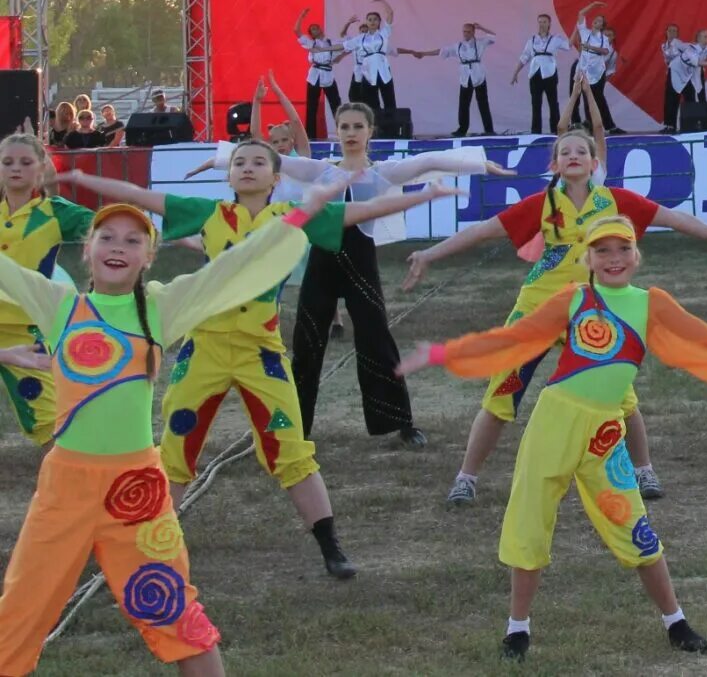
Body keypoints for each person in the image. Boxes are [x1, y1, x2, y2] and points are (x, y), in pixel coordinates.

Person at [397, 217, 707, 662]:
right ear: (587, 259)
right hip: (554, 423)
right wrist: (439, 354)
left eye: (622, 250)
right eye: (602, 251)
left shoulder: (652, 304)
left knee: (635, 525)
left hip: (605, 432)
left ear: (636, 256)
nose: (614, 259)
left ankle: (676, 621)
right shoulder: (572, 299)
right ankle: (518, 629)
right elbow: (513, 340)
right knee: (530, 520)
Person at [59, 150, 457, 579]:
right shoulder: (209, 213)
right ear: (229, 175)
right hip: (204, 348)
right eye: (239, 162)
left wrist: (424, 195)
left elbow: (366, 209)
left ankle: (331, 546)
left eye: (257, 162)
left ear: (275, 177)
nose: (247, 167)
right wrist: (80, 174)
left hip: (260, 352)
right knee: (177, 447)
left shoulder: (294, 215)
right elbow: (139, 196)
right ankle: (147, 549)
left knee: (292, 450)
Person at [0, 186, 339, 676]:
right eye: (107, 237)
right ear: (87, 251)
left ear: (149, 258)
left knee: (174, 613)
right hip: (64, 488)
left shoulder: (162, 307)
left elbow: (234, 266)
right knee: (19, 613)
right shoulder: (57, 305)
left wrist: (303, 213)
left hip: (135, 491)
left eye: (134, 240)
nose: (119, 246)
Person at [401, 129, 707, 507]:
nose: (573, 156)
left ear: (593, 162)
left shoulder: (614, 201)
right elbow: (484, 231)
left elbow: (673, 218)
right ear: (554, 165)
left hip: (591, 314)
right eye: (564, 152)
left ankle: (643, 470)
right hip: (537, 311)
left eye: (581, 151)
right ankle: (465, 478)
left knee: (622, 396)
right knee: (501, 394)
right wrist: (429, 254)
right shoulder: (541, 204)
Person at [276, 94, 512, 446]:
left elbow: (428, 161)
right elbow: (272, 160)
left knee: (377, 341)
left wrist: (479, 164)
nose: (351, 132)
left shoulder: (382, 173)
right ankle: (293, 429)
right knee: (306, 344)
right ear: (336, 132)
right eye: (344, 127)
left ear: (370, 131)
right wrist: (221, 159)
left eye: (358, 126)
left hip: (360, 264)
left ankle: (402, 424)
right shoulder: (321, 170)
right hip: (321, 264)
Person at [0, 133, 94, 444]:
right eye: (7, 162)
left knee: (50, 418)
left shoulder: (56, 212)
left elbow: (108, 226)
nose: (15, 169)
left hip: (26, 328)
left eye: (25, 163)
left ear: (41, 169)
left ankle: (70, 482)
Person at [402, 21, 499, 137]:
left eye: (468, 31)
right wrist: (424, 54)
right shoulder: (458, 46)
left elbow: (493, 36)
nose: (466, 34)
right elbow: (441, 51)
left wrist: (481, 27)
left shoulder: (480, 43)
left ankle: (489, 129)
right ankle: (462, 129)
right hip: (465, 76)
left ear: (473, 32)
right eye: (464, 31)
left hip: (478, 75)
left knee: (483, 102)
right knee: (463, 104)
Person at [513, 13, 574, 135]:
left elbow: (568, 46)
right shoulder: (532, 40)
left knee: (553, 102)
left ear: (549, 24)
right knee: (536, 103)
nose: (542, 24)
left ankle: (556, 130)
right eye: (540, 22)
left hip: (550, 73)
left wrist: (576, 30)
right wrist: (515, 73)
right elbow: (524, 57)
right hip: (535, 73)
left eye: (544, 22)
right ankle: (535, 131)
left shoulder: (555, 40)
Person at [339, 0, 399, 116]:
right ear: (366, 22)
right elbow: (343, 44)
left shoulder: (383, 33)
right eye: (370, 19)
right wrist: (321, 49)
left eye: (375, 19)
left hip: (382, 69)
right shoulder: (360, 38)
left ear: (379, 22)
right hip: (368, 70)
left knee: (389, 98)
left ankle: (391, 129)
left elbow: (390, 13)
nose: (372, 22)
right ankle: (375, 128)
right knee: (371, 100)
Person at [294, 8, 350, 138]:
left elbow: (348, 46)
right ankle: (310, 136)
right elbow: (296, 31)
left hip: (328, 74)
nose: (315, 29)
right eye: (312, 29)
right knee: (312, 106)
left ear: (321, 29)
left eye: (316, 27)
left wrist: (341, 57)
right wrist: (302, 15)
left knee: (336, 104)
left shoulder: (331, 42)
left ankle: (342, 133)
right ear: (311, 34)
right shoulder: (310, 43)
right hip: (314, 76)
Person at [662, 25, 707, 130]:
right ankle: (670, 126)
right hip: (677, 72)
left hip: (692, 73)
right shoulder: (688, 48)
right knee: (672, 98)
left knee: (694, 97)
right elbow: (697, 62)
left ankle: (695, 124)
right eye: (705, 36)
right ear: (698, 38)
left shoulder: (704, 47)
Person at [570, 2, 620, 134]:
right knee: (585, 98)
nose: (595, 22)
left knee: (597, 98)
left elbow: (605, 51)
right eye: (595, 20)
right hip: (583, 69)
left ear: (602, 26)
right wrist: (593, 5)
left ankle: (608, 125)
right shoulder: (585, 32)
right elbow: (581, 13)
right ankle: (590, 126)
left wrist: (590, 48)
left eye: (599, 21)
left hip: (597, 72)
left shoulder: (603, 38)